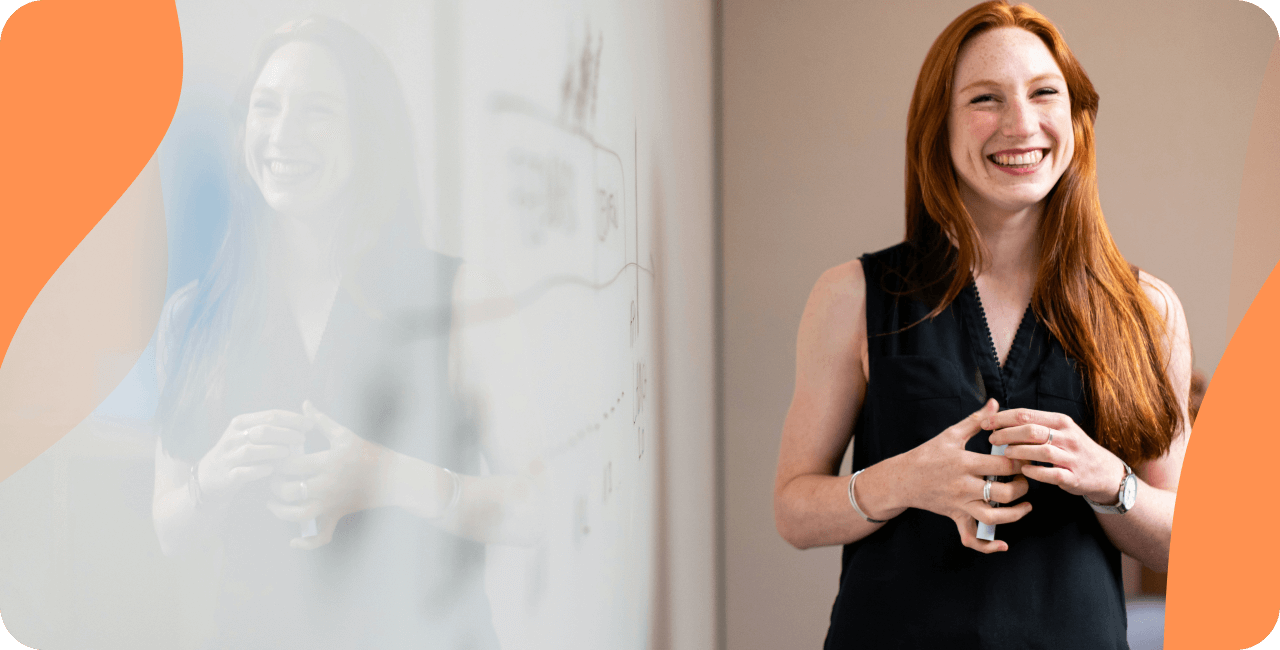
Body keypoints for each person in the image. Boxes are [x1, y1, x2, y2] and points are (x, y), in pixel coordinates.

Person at [772, 2, 1191, 648]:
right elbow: (794, 511)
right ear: (937, 126)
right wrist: (903, 481)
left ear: (1076, 115)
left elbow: (1184, 539)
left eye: (1044, 92)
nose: (1020, 124)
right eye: (985, 99)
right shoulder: (851, 297)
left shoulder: (1149, 311)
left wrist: (1110, 481)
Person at [151, 17, 535, 650]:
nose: (282, 136)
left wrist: (387, 477)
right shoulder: (193, 316)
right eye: (265, 107)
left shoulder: (462, 297)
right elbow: (169, 531)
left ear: (370, 136)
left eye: (318, 112)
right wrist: (212, 476)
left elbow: (542, 508)